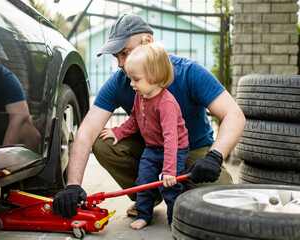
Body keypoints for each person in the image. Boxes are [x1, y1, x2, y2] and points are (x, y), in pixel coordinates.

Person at [52, 13, 246, 219]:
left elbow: (234, 115)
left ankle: (181, 192)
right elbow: (87, 131)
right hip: (151, 150)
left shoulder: (189, 72)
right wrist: (72, 185)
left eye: (124, 53)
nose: (120, 64)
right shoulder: (120, 81)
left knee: (222, 204)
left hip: (192, 150)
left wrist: (214, 157)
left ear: (148, 41)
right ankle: (148, 195)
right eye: (116, 57)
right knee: (103, 142)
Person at [99, 40, 189, 229]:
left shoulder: (166, 104)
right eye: (131, 79)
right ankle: (144, 215)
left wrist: (169, 170)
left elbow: (171, 138)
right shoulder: (140, 96)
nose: (131, 84)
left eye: (136, 79)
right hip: (152, 148)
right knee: (144, 181)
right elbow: (134, 120)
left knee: (170, 186)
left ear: (155, 77)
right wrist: (118, 132)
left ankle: (175, 220)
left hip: (174, 149)